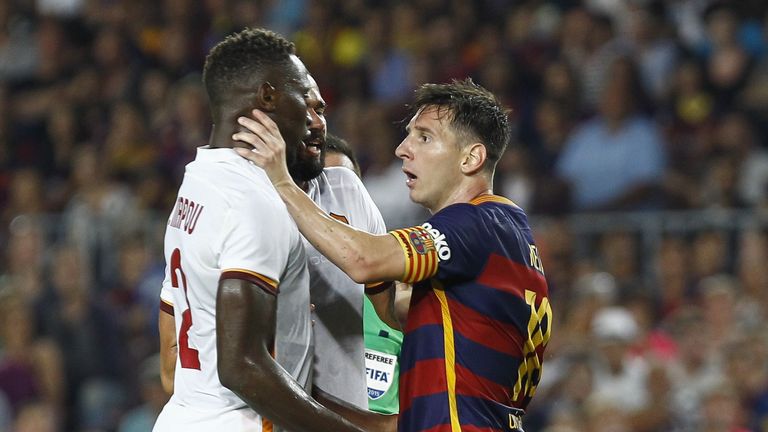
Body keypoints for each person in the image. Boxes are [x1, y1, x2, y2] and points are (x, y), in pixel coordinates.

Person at [234, 78, 553, 432]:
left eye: (424, 137)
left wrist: (281, 181)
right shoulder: (506, 235)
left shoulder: (477, 222)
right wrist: (304, 396)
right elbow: (394, 420)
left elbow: (364, 260)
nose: (403, 149)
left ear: (471, 158)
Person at [153, 27, 377, 432]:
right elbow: (242, 368)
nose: (313, 118)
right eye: (303, 99)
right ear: (269, 97)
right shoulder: (254, 199)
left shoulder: (195, 185)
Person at [325, 134, 404, 415]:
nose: (336, 202)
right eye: (322, 190)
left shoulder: (398, 297)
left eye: (346, 188)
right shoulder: (289, 297)